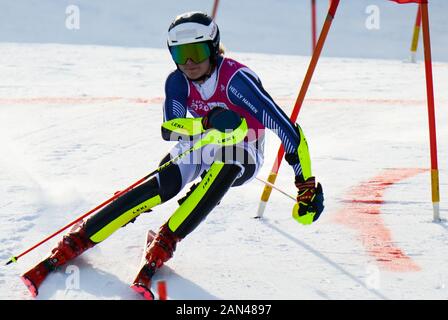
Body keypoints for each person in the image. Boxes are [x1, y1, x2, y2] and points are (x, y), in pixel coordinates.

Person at [20, 11, 324, 300]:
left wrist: (305, 184)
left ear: (214, 49)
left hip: (244, 147)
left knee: (228, 164)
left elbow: (288, 130)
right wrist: (206, 122)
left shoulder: (236, 82)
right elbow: (170, 129)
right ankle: (78, 240)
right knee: (161, 187)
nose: (189, 62)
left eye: (197, 52)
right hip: (199, 140)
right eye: (180, 54)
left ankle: (166, 240)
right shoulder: (177, 81)